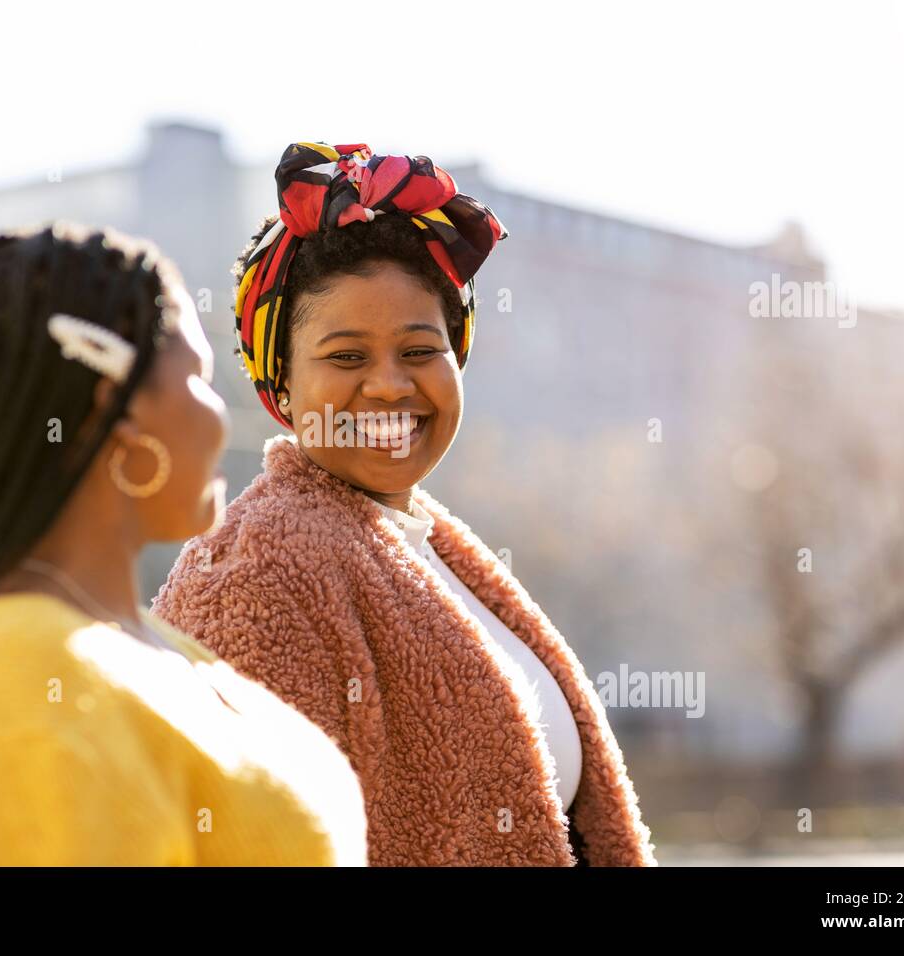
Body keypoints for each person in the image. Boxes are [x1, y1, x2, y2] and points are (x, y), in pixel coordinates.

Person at [154, 142, 656, 866]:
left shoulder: (432, 550)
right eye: (347, 356)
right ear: (280, 386)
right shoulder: (253, 577)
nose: (390, 385)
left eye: (420, 351)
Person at [0, 222, 366, 865]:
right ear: (121, 406)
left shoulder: (144, 649)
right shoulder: (17, 676)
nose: (222, 414)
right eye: (201, 376)